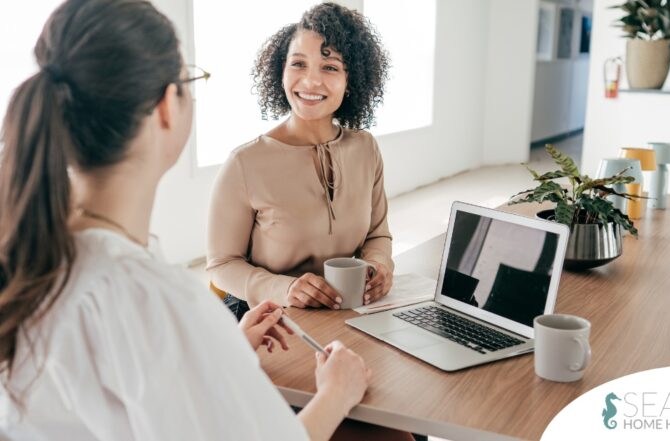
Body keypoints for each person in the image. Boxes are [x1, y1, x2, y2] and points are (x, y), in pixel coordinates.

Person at [0, 1, 375, 439]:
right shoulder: (155, 299)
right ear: (165, 106)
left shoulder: (28, 257)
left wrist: (221, 349)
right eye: (188, 81)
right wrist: (336, 392)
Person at [207, 3, 394, 318]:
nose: (310, 81)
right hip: (264, 317)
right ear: (281, 71)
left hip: (344, 311)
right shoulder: (245, 163)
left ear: (352, 80)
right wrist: (285, 289)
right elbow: (221, 266)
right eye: (298, 64)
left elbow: (377, 234)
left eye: (329, 67)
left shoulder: (366, 149)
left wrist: (380, 265)